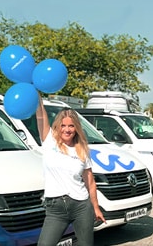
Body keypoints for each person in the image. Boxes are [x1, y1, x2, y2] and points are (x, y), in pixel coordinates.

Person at [36, 93, 105, 245]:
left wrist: (96, 208)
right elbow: (40, 115)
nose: (67, 130)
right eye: (63, 125)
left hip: (81, 206)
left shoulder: (82, 150)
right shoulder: (49, 141)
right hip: (55, 209)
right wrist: (36, 91)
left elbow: (90, 182)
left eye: (71, 126)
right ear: (58, 126)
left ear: (76, 128)